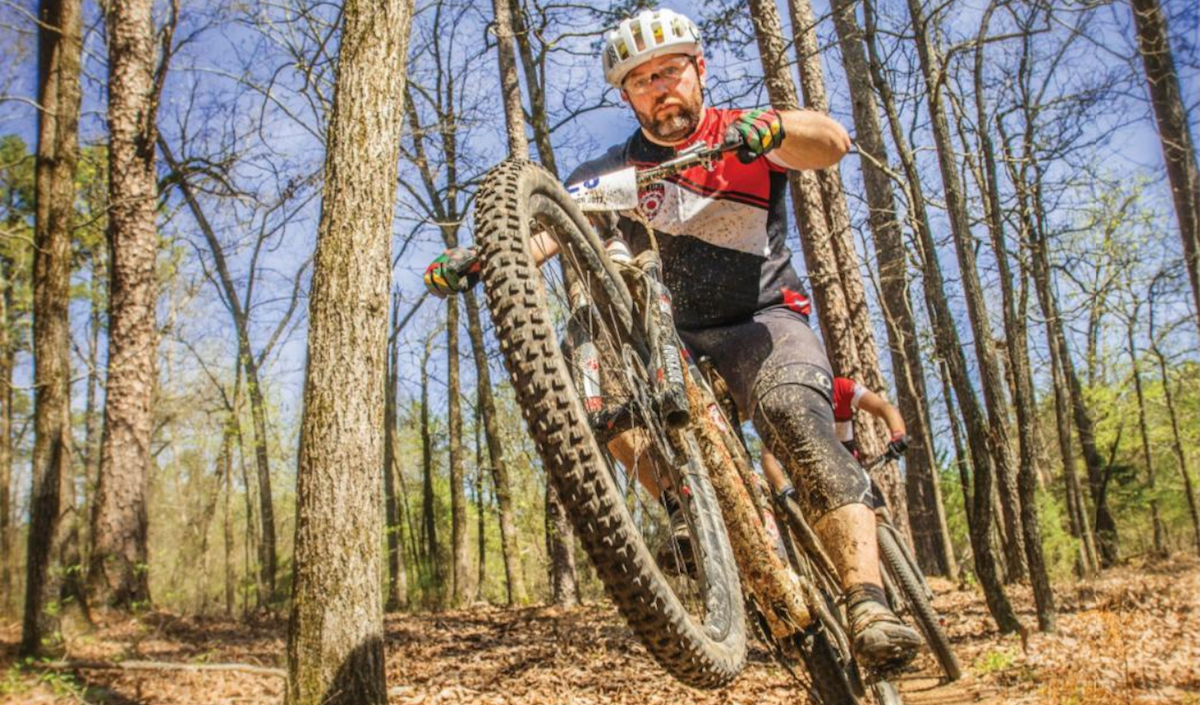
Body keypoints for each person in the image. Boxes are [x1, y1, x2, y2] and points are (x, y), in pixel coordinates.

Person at [424, 9, 920, 670]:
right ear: (627, 96)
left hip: (762, 320)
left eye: (671, 71)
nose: (661, 89)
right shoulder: (612, 169)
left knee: (794, 417)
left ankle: (868, 602)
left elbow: (828, 141)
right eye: (642, 81)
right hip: (674, 344)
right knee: (610, 400)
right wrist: (487, 254)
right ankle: (689, 509)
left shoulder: (742, 133)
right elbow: (549, 232)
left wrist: (773, 127)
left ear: (699, 71)